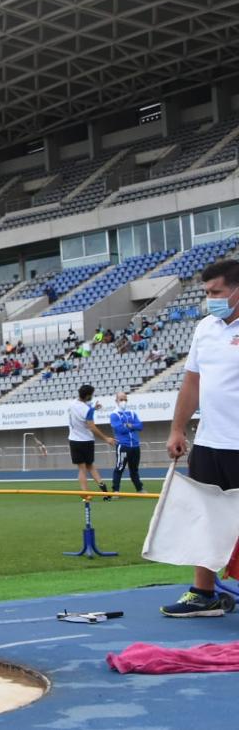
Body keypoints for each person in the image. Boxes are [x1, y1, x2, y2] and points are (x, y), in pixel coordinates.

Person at [161, 259, 239, 617]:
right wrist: (178, 428)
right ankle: (203, 593)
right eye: (207, 293)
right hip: (210, 442)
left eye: (217, 292)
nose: (210, 299)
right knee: (206, 517)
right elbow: (192, 382)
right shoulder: (205, 328)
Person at [66, 384, 116, 498]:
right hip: (87, 440)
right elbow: (92, 427)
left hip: (75, 440)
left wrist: (93, 408)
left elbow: (80, 410)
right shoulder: (87, 410)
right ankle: (104, 490)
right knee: (90, 466)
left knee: (82, 469)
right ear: (88, 396)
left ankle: (86, 494)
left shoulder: (71, 404)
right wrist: (106, 438)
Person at [109, 392, 144, 494]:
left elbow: (140, 426)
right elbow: (120, 429)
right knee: (119, 468)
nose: (123, 402)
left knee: (134, 469)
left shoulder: (132, 413)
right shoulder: (114, 415)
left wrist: (130, 425)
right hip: (123, 446)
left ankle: (139, 489)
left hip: (135, 446)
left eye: (125, 399)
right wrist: (132, 426)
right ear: (116, 401)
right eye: (121, 399)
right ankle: (116, 490)